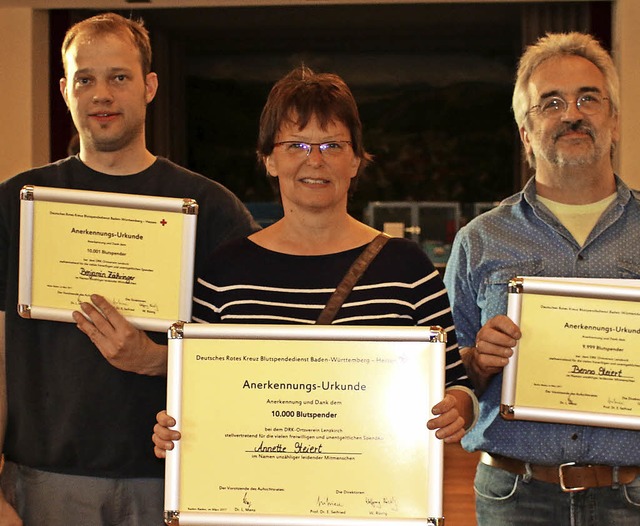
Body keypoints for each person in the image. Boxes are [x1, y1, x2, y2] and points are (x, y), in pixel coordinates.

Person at [0, 13, 258, 526]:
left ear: (149, 86)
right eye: (85, 78)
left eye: (119, 77)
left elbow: (246, 355)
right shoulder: (18, 204)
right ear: (65, 90)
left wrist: (157, 360)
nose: (101, 94)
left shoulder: (212, 208)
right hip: (45, 478)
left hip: (176, 476)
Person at [146, 65, 476, 461]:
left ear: (356, 161)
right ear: (269, 159)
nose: (315, 161)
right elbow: (197, 394)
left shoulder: (408, 268)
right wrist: (176, 427)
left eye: (333, 146)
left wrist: (459, 408)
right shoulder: (224, 274)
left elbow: (457, 384)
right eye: (297, 146)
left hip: (373, 502)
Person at [443, 32, 640, 525]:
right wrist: (478, 361)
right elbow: (447, 373)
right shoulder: (479, 241)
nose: (571, 112)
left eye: (587, 98)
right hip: (515, 495)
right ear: (527, 133)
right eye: (550, 102)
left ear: (614, 122)